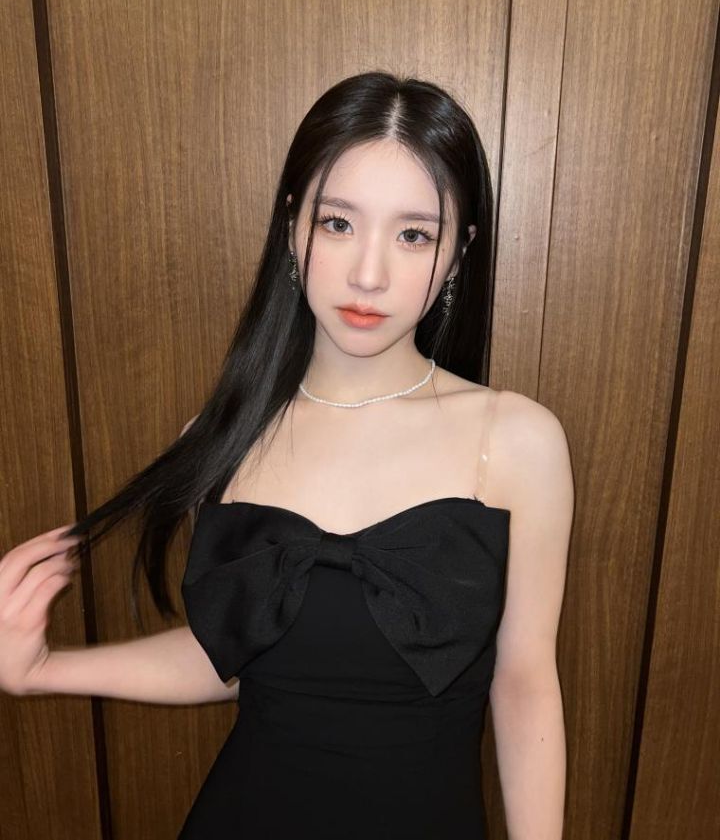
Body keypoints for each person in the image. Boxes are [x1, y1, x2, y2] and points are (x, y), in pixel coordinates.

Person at [0, 71, 573, 839]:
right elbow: (232, 658)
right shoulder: (222, 438)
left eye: (413, 234)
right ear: (293, 227)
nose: (368, 272)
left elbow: (525, 682)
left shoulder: (517, 440)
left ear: (458, 253)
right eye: (338, 223)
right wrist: (41, 670)